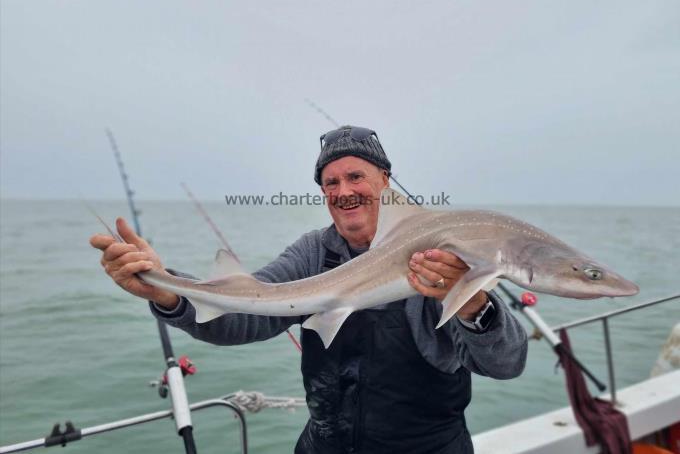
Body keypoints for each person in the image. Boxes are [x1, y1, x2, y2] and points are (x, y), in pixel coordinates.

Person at [90, 125, 528, 454]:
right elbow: (243, 316)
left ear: (385, 180)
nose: (344, 191)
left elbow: (507, 362)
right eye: (330, 183)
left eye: (356, 176)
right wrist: (166, 290)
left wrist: (473, 302)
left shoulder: (442, 252)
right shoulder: (315, 252)